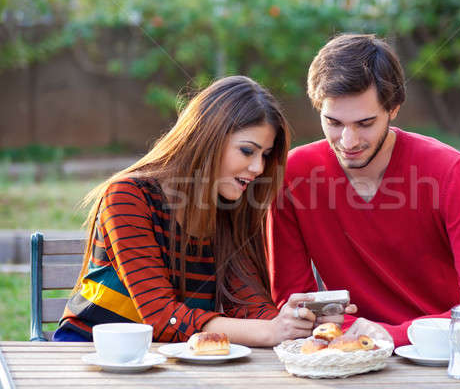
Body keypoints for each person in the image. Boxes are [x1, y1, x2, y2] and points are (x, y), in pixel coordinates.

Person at [55, 75, 352, 345]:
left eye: (264, 155)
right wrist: (271, 331)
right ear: (208, 138)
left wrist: (299, 322)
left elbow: (247, 302)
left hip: (173, 360)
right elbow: (161, 316)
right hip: (92, 348)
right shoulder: (128, 196)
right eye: (247, 151)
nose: (258, 168)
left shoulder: (231, 206)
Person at [268, 34, 460, 347]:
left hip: (435, 355)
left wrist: (392, 335)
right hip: (348, 354)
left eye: (365, 123)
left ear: (393, 108)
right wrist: (360, 334)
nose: (348, 141)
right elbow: (294, 304)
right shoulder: (294, 174)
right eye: (334, 122)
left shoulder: (447, 170)